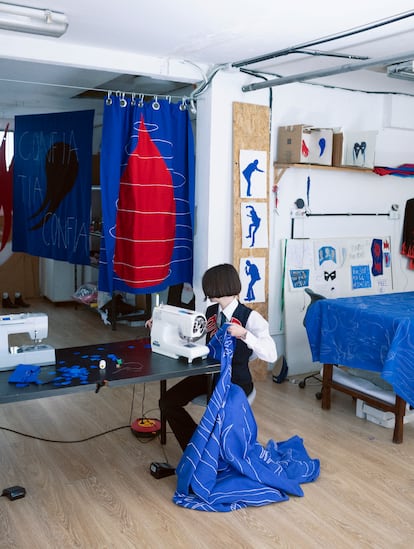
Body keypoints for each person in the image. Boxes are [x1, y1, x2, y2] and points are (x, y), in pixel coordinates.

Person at [157, 263, 277, 451]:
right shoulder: (210, 312)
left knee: (217, 415)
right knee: (167, 402)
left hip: (235, 381)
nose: (207, 291)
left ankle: (211, 449)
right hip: (209, 375)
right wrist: (159, 325)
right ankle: (195, 448)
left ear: (219, 286)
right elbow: (195, 338)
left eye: (209, 286)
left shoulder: (250, 317)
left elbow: (271, 353)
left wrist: (245, 334)